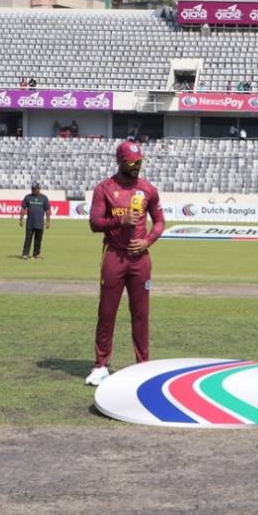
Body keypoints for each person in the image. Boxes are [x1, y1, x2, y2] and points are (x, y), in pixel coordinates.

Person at [84, 141, 165, 386]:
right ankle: (100, 365)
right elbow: (95, 223)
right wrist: (120, 221)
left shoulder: (148, 189)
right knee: (107, 312)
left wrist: (147, 241)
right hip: (114, 256)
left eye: (139, 162)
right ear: (119, 161)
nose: (136, 167)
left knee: (141, 314)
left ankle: (143, 365)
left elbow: (160, 222)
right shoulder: (104, 189)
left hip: (140, 260)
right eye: (131, 162)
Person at [19, 181, 51, 260]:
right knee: (28, 239)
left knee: (38, 239)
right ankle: (25, 254)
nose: (33, 190)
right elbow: (23, 209)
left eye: (35, 189)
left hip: (40, 222)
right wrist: (21, 219)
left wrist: (48, 221)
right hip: (30, 222)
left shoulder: (44, 198)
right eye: (32, 189)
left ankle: (36, 255)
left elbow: (47, 210)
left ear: (39, 189)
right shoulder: (27, 197)